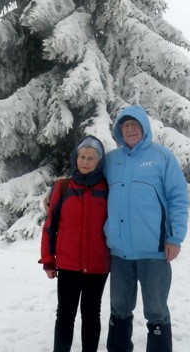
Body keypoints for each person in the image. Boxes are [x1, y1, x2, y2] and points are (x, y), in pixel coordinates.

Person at [105, 104, 189, 352]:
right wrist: (58, 189)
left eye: (135, 125)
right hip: (119, 253)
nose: (130, 129)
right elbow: (86, 177)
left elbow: (178, 198)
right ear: (119, 131)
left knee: (156, 309)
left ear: (144, 128)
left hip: (154, 250)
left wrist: (174, 237)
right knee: (119, 307)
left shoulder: (162, 157)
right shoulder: (111, 160)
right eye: (126, 125)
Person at [40, 136, 110, 352]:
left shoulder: (108, 188)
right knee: (65, 314)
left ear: (99, 161)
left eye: (91, 157)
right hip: (68, 264)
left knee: (91, 314)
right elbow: (50, 227)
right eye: (82, 156)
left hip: (97, 265)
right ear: (75, 158)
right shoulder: (62, 187)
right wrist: (48, 261)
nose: (85, 162)